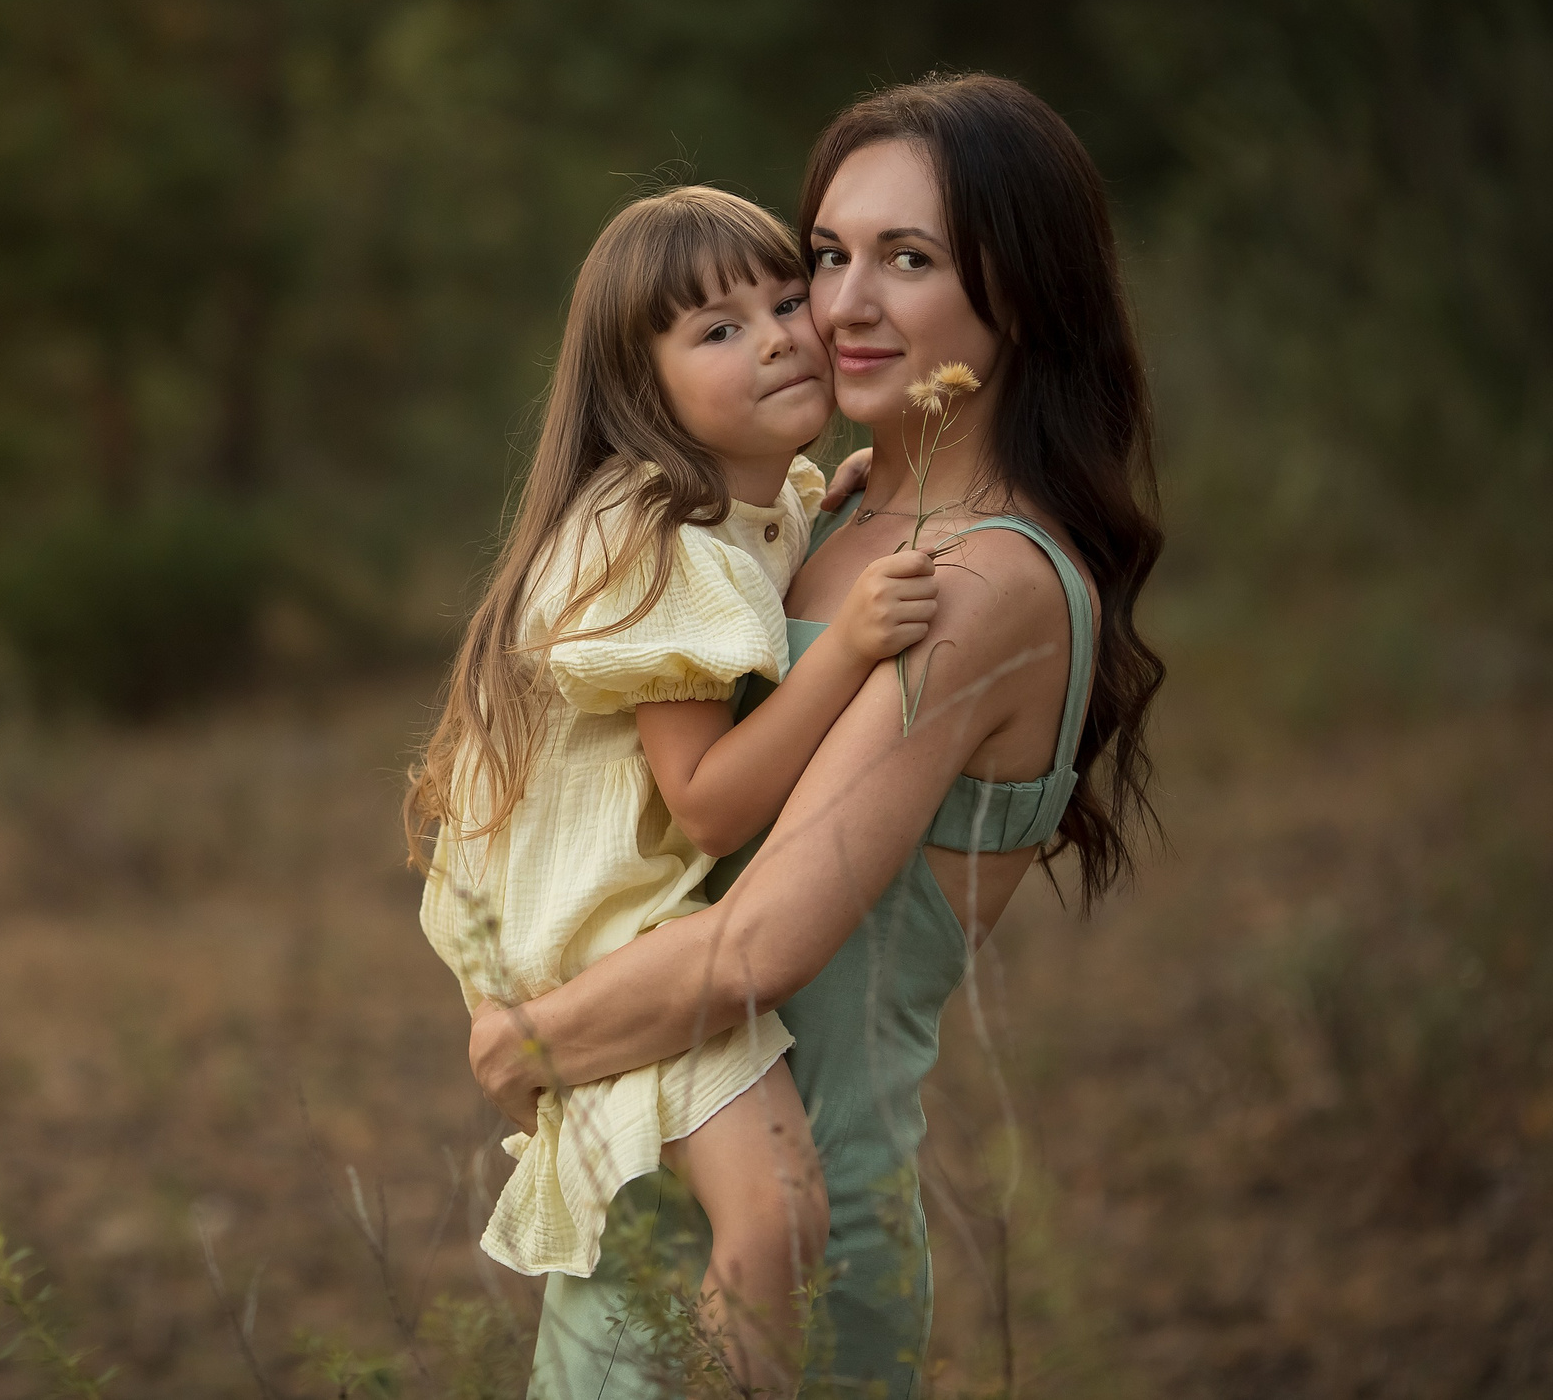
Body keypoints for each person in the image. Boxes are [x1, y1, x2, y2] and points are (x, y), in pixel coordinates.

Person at [469, 75, 1167, 1398]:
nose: (839, 307)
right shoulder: (813, 518)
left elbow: (764, 940)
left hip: (790, 1234)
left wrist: (524, 1039)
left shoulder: (986, 583)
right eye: (827, 256)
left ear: (1025, 292)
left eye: (908, 260)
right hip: (645, 1170)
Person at [407, 184, 931, 1385]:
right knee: (779, 1220)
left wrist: (835, 498)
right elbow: (699, 802)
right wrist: (847, 647)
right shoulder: (655, 541)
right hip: (617, 942)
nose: (779, 337)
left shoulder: (753, 503)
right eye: (716, 331)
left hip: (641, 921)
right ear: (642, 394)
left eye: (785, 300)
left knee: (765, 1225)